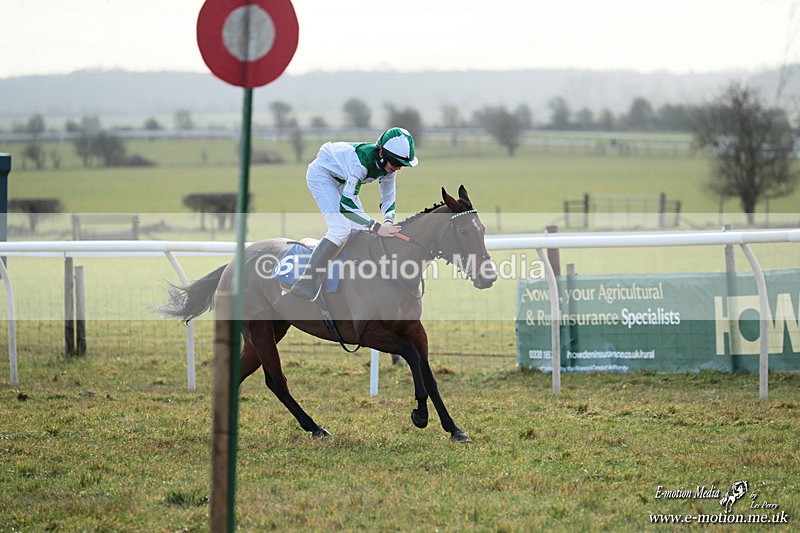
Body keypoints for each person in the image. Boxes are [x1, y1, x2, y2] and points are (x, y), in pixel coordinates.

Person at [289, 127, 418, 300]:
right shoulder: (361, 162)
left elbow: (389, 197)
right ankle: (306, 281)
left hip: (343, 179)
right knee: (340, 229)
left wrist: (388, 221)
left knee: (360, 229)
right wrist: (377, 227)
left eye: (402, 165)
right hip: (321, 175)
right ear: (381, 154)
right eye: (396, 164)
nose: (398, 168)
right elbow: (346, 206)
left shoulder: (388, 166)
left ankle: (351, 281)